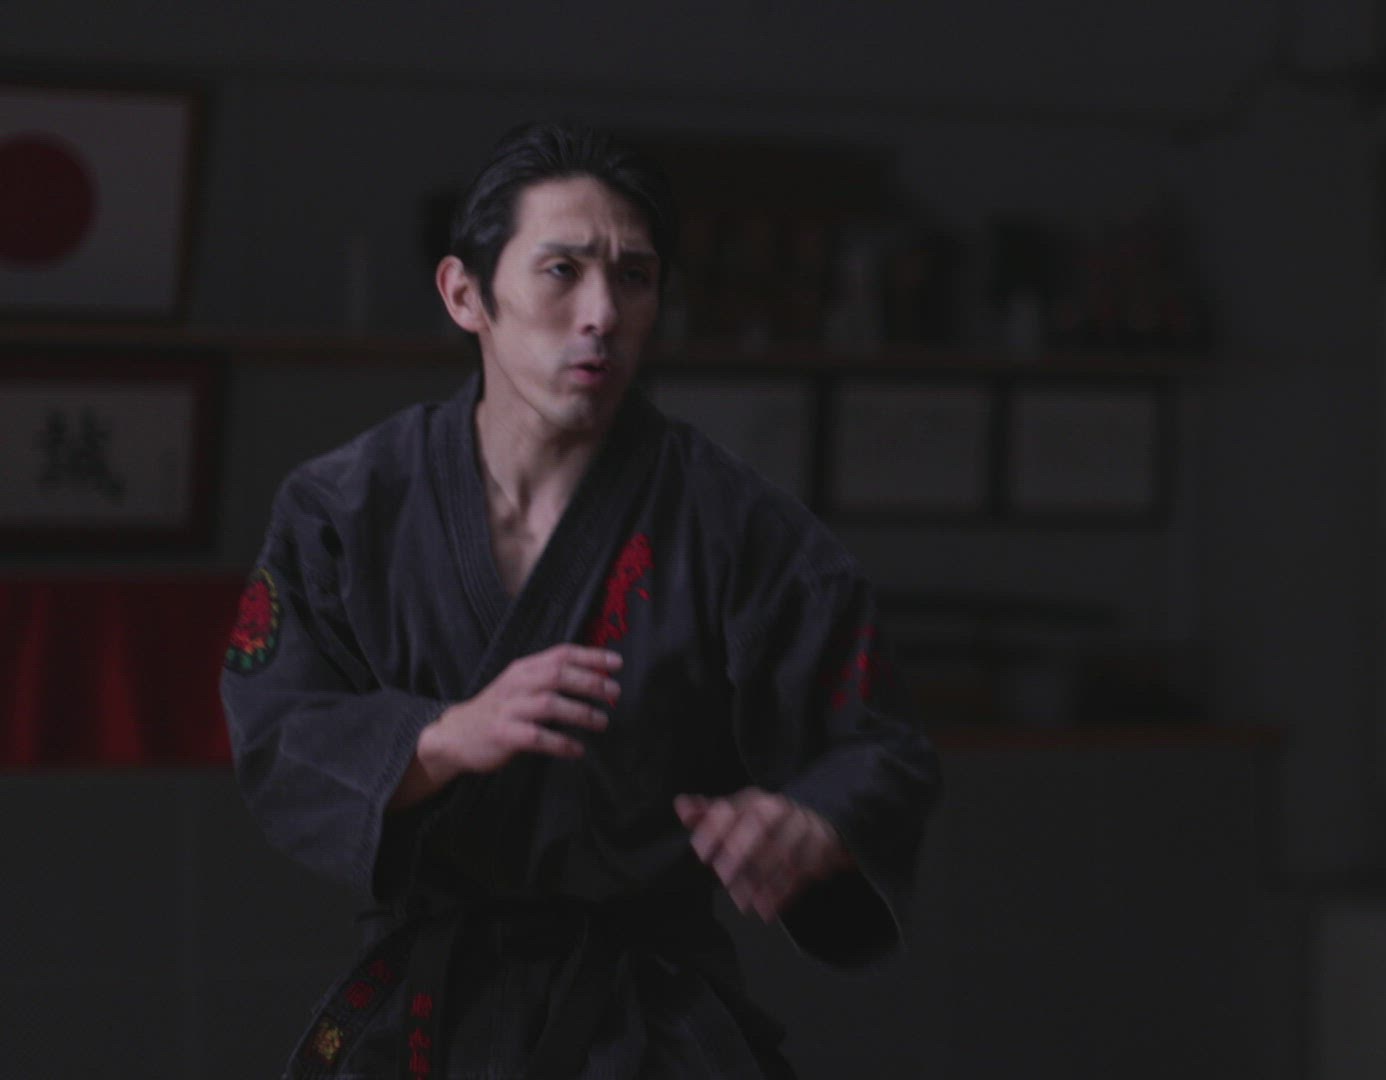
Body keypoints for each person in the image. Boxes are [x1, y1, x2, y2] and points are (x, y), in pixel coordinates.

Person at [220, 121, 940, 1080]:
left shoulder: (736, 526)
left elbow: (879, 747)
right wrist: (442, 738)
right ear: (466, 294)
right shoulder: (348, 509)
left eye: (634, 277)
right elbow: (278, 730)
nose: (601, 312)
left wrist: (814, 821)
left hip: (648, 1025)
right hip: (424, 1019)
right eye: (563, 270)